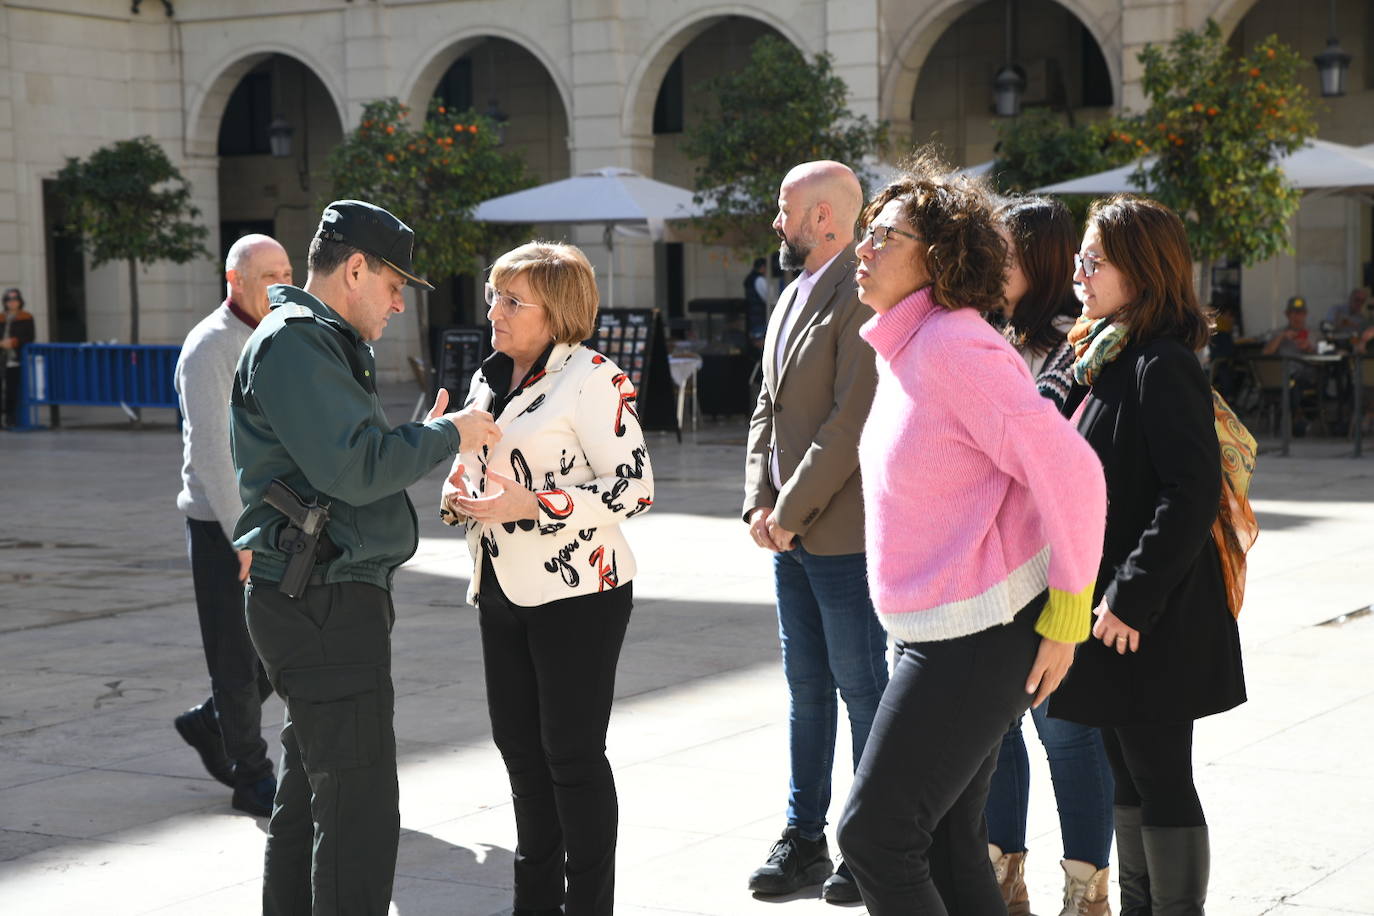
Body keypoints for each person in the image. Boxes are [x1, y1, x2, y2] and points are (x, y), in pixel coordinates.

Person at [834, 156, 1107, 916]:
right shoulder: (912, 348)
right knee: (950, 842)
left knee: (876, 838)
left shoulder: (958, 348)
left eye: (883, 235)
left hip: (978, 634)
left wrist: (1067, 616)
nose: (864, 248)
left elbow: (1074, 476)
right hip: (945, 629)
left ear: (939, 255)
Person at [229, 200, 501, 915]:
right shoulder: (296, 342)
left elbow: (338, 464)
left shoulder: (316, 340)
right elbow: (355, 467)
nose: (399, 301)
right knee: (360, 814)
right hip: (320, 602)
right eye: (393, 284)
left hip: (320, 596)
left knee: (313, 799)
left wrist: (417, 438)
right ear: (355, 269)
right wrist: (449, 434)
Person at [438, 241, 653, 916]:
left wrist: (535, 505)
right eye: (493, 295)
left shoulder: (593, 378)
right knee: (521, 756)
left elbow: (636, 487)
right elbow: (485, 466)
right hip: (499, 586)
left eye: (512, 299)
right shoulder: (489, 377)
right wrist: (458, 488)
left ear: (555, 313)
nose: (494, 310)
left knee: (572, 756)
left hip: (580, 595)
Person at [1050, 195, 1247, 916]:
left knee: (1160, 777)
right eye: (1082, 255)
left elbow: (1190, 493)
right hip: (1110, 616)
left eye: (1095, 258)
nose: (1080, 268)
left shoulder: (1160, 362)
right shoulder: (1104, 351)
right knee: (1126, 777)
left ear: (1143, 269)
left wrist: (1131, 596)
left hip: (1148, 617)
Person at [742, 160, 888, 904]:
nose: (777, 220)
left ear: (826, 217)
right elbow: (765, 407)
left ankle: (869, 847)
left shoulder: (858, 300)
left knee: (862, 688)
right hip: (789, 536)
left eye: (785, 207)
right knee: (806, 691)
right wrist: (756, 505)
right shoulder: (790, 293)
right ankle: (804, 838)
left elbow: (848, 426)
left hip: (841, 536)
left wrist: (787, 514)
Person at [984, 196, 1116, 915]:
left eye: (1003, 252)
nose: (990, 265)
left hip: (1056, 575)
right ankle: (1004, 882)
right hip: (992, 578)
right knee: (997, 733)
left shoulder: (1080, 349)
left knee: (1066, 737)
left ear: (1034, 261)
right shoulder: (981, 338)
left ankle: (1086, 893)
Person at [173, 234, 292, 818]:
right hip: (223, 525)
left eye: (286, 271)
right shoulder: (210, 347)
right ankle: (252, 776)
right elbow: (213, 456)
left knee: (277, 648)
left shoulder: (278, 336)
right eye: (267, 274)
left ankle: (212, 721)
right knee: (234, 658)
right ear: (235, 281)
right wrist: (242, 535)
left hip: (275, 520)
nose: (280, 282)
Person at [1262, 296, 1319, 434]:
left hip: (1306, 376)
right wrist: (1282, 337)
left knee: (1295, 381)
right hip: (1281, 378)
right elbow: (1265, 353)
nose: (1297, 317)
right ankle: (1298, 417)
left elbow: (1322, 355)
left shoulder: (1313, 333)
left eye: (1300, 313)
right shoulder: (1278, 333)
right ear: (1287, 315)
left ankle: (1297, 416)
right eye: (1294, 313)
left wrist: (1309, 348)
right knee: (1290, 381)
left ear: (1305, 314)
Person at [2, 287, 36, 429]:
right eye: (9, 300)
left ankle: (11, 417)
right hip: (1, 357)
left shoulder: (26, 317)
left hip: (15, 358)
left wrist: (14, 342)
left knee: (12, 390)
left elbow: (29, 336)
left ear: (20, 302)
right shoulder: (1, 317)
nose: (12, 303)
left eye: (15, 300)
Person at [744, 256, 772, 343]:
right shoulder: (759, 280)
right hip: (759, 317)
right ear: (763, 267)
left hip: (752, 316)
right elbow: (768, 298)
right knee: (761, 344)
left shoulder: (750, 279)